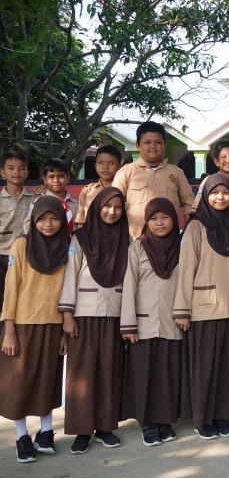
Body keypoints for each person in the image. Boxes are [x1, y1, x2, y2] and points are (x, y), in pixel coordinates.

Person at [174, 173, 229, 440]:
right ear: (205, 196)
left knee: (228, 365)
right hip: (203, 308)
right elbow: (185, 270)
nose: (220, 197)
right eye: (214, 193)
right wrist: (182, 309)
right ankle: (202, 419)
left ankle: (222, 415)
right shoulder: (196, 226)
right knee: (205, 366)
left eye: (225, 192)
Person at [58, 187, 130, 454]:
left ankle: (105, 427)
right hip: (84, 315)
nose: (112, 211)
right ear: (97, 206)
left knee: (109, 371)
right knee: (82, 374)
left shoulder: (128, 240)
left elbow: (131, 281)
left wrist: (129, 317)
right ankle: (81, 429)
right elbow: (70, 275)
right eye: (107, 206)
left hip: (115, 314)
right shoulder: (80, 238)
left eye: (118, 207)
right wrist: (67, 315)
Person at [0, 196, 70, 463]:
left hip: (54, 325)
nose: (48, 224)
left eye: (54, 218)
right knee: (20, 382)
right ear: (33, 220)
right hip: (23, 325)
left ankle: (46, 432)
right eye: (42, 219)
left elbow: (69, 289)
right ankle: (21, 436)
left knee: (48, 379)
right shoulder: (21, 245)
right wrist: (9, 330)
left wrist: (65, 329)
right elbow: (11, 288)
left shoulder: (68, 247)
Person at [120, 198, 182, 447]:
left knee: (167, 373)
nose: (159, 223)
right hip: (143, 323)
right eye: (154, 218)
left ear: (173, 219)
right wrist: (128, 323)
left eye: (165, 217)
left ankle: (165, 420)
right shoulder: (138, 248)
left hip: (173, 320)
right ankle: (147, 423)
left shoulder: (182, 245)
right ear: (146, 222)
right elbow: (129, 285)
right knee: (144, 374)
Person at [111, 121, 194, 239]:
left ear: (164, 145)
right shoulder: (126, 172)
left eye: (158, 142)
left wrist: (189, 231)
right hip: (137, 243)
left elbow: (189, 202)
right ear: (138, 146)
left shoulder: (176, 173)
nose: (153, 146)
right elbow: (113, 205)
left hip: (171, 243)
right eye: (147, 142)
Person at [0, 151, 35, 312]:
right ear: (3, 172)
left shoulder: (35, 197)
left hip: (28, 255)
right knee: (3, 296)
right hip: (3, 255)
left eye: (21, 168)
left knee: (24, 295)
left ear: (27, 172)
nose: (16, 172)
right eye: (11, 168)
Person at [24, 158, 78, 234]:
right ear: (45, 180)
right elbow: (28, 228)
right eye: (51, 177)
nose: (56, 180)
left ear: (68, 178)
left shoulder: (77, 204)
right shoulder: (38, 203)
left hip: (74, 244)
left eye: (60, 176)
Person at [192, 140, 229, 218]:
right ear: (216, 161)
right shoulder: (208, 181)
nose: (228, 160)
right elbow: (196, 208)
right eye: (223, 157)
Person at [75, 145, 122, 228]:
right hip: (91, 237)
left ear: (119, 167)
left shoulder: (124, 190)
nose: (105, 167)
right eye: (101, 163)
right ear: (95, 165)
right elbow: (81, 219)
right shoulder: (88, 190)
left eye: (110, 163)